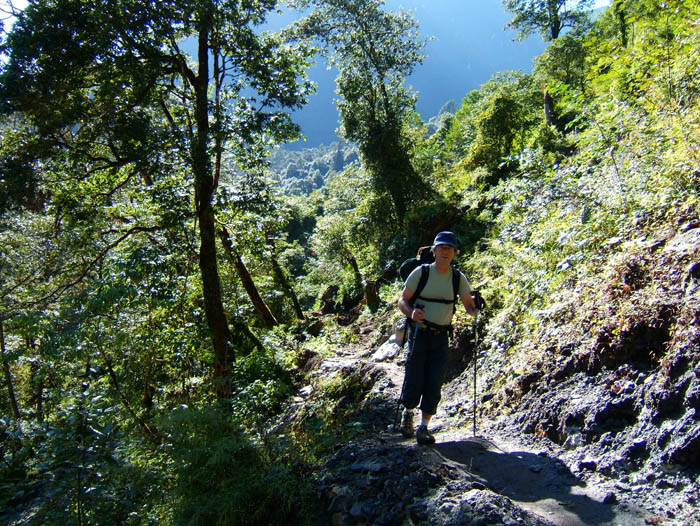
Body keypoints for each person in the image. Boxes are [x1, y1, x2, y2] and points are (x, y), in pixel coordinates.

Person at [397, 231, 485, 445]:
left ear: (455, 253)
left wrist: (476, 307)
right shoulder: (421, 273)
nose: (445, 252)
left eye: (449, 249)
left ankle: (424, 427)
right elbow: (402, 301)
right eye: (442, 248)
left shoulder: (457, 277)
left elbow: (469, 308)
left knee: (435, 380)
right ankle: (408, 413)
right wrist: (411, 313)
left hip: (441, 337)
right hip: (419, 333)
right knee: (415, 375)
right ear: (434, 251)